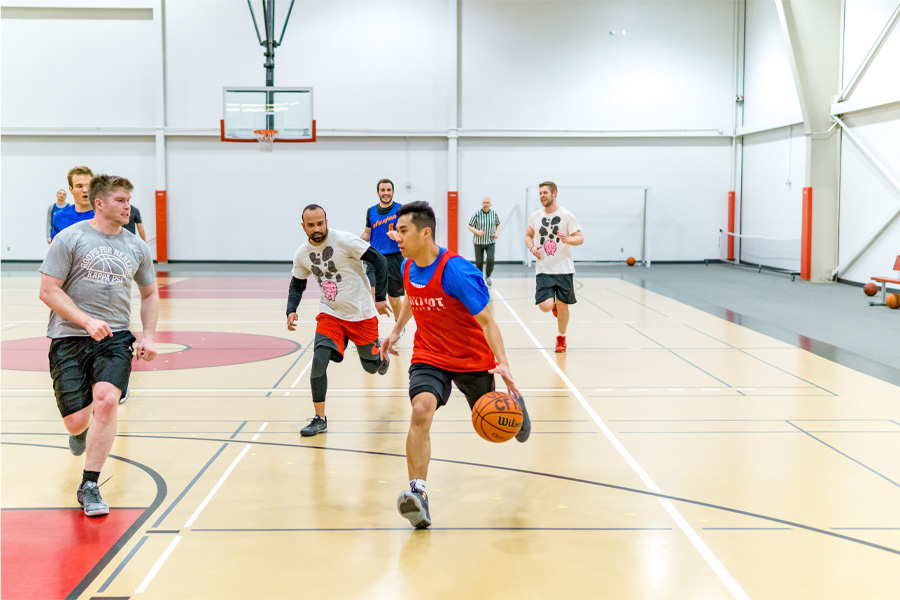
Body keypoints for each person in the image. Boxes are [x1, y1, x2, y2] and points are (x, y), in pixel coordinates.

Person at [380, 201, 531, 529]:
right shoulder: (407, 266)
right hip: (429, 356)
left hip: (470, 358)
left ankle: (515, 408)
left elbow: (488, 321)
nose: (397, 237)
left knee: (492, 418)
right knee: (420, 411)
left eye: (403, 231)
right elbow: (411, 297)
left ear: (426, 233)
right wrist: (396, 330)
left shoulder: (458, 272)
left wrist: (503, 364)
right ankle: (418, 494)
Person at [39, 174, 159, 517]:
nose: (128, 207)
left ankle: (90, 484)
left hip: (115, 337)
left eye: (129, 200)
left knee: (107, 400)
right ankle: (82, 430)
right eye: (121, 200)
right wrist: (85, 320)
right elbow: (48, 290)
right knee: (77, 422)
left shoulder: (136, 246)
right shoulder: (69, 238)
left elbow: (150, 294)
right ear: (100, 203)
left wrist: (148, 335)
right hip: (69, 336)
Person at [287, 204, 393, 436]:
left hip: (361, 313)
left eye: (320, 223)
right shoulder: (302, 253)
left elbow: (380, 261)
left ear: (326, 221)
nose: (316, 229)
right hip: (331, 313)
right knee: (319, 360)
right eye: (311, 225)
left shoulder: (345, 240)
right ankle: (319, 418)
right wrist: (291, 309)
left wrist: (381, 297)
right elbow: (298, 283)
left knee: (371, 368)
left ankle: (380, 356)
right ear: (303, 226)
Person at [524, 181, 583, 353]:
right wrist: (532, 247)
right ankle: (554, 305)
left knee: (564, 306)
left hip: (564, 269)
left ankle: (561, 338)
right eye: (540, 193)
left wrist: (568, 239)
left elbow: (580, 238)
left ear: (554, 193)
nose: (542, 196)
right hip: (544, 268)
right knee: (545, 306)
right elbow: (528, 235)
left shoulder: (567, 215)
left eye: (545, 193)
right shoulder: (535, 216)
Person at [361, 179, 405, 322]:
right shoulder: (371, 211)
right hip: (375, 258)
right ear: (378, 192)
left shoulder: (400, 210)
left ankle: (399, 328)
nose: (385, 193)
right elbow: (367, 233)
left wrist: (399, 236)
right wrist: (356, 243)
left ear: (392, 192)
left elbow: (407, 231)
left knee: (394, 299)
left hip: (395, 258)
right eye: (383, 190)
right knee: (373, 296)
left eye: (388, 190)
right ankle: (371, 335)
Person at [51, 166, 95, 241]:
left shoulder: (105, 216)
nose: (85, 190)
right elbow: (56, 250)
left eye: (88, 185)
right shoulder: (59, 217)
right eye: (79, 186)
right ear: (71, 189)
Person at [467, 196, 501, 286]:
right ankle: (479, 278)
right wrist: (477, 232)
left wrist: (496, 233)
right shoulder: (477, 214)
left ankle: (488, 276)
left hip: (490, 241)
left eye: (487, 203)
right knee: (479, 262)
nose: (485, 204)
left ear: (490, 204)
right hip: (478, 242)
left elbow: (498, 224)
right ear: (482, 204)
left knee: (490, 259)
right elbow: (470, 226)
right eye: (484, 203)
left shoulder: (494, 214)